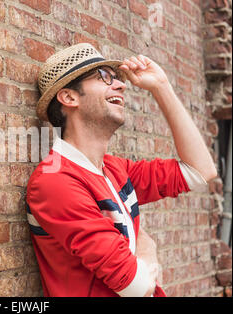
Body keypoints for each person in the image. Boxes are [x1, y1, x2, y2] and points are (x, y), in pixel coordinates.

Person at [26, 43, 217, 297]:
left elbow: (200, 170)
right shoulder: (54, 182)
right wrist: (147, 245)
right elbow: (135, 286)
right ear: (69, 97)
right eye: (104, 77)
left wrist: (162, 87)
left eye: (116, 77)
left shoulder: (115, 169)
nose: (120, 84)